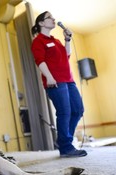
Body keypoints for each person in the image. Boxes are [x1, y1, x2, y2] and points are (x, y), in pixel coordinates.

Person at [31, 11, 87, 158]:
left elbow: (66, 55)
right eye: (49, 17)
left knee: (78, 110)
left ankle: (63, 141)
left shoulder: (55, 40)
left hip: (69, 80)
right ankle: (66, 147)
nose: (54, 19)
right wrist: (49, 77)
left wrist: (67, 40)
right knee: (64, 112)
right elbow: (40, 60)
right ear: (41, 23)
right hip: (55, 82)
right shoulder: (38, 41)